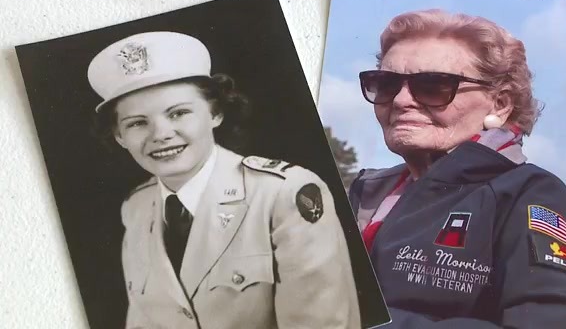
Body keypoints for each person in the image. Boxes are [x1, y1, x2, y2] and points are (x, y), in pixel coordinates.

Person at [88, 31, 361, 329]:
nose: (161, 134)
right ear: (119, 136)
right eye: (138, 123)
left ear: (215, 113)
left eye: (178, 113)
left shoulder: (283, 193)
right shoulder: (137, 207)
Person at [348, 9, 566, 328]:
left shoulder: (533, 196)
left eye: (433, 85)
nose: (402, 101)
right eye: (386, 84)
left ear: (500, 104)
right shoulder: (366, 194)